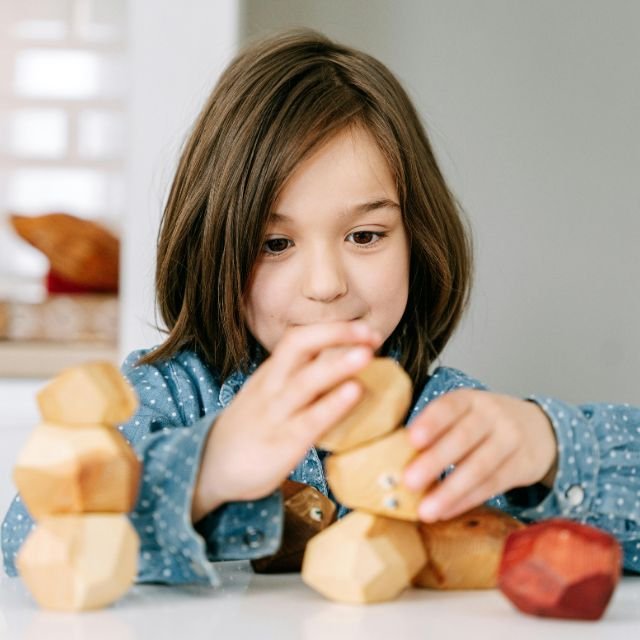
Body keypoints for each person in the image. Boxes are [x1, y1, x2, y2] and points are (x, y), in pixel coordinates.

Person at [3, 29, 639, 585]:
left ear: (420, 239)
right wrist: (208, 469)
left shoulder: (441, 420)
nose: (327, 284)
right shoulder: (164, 399)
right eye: (275, 244)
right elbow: (23, 545)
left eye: (365, 236)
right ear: (214, 249)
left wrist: (553, 447)